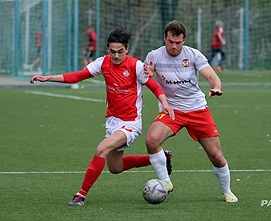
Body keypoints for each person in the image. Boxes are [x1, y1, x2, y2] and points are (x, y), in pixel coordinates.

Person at [30, 28, 175, 206]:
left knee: (101, 149)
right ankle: (161, 157)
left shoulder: (135, 66)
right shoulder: (102, 63)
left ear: (127, 49)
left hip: (131, 123)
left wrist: (165, 104)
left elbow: (155, 87)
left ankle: (80, 195)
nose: (116, 56)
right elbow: (77, 76)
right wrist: (48, 78)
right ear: (108, 49)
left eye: (120, 52)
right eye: (112, 51)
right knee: (115, 168)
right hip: (112, 122)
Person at [143, 20, 238, 202]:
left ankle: (227, 191)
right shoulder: (154, 56)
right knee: (151, 140)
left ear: (184, 40)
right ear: (165, 38)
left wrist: (216, 87)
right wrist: (148, 72)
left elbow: (211, 76)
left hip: (197, 110)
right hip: (171, 110)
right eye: (170, 41)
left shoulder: (193, 55)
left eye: (178, 42)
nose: (174, 46)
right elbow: (145, 76)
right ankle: (165, 182)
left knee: (216, 155)